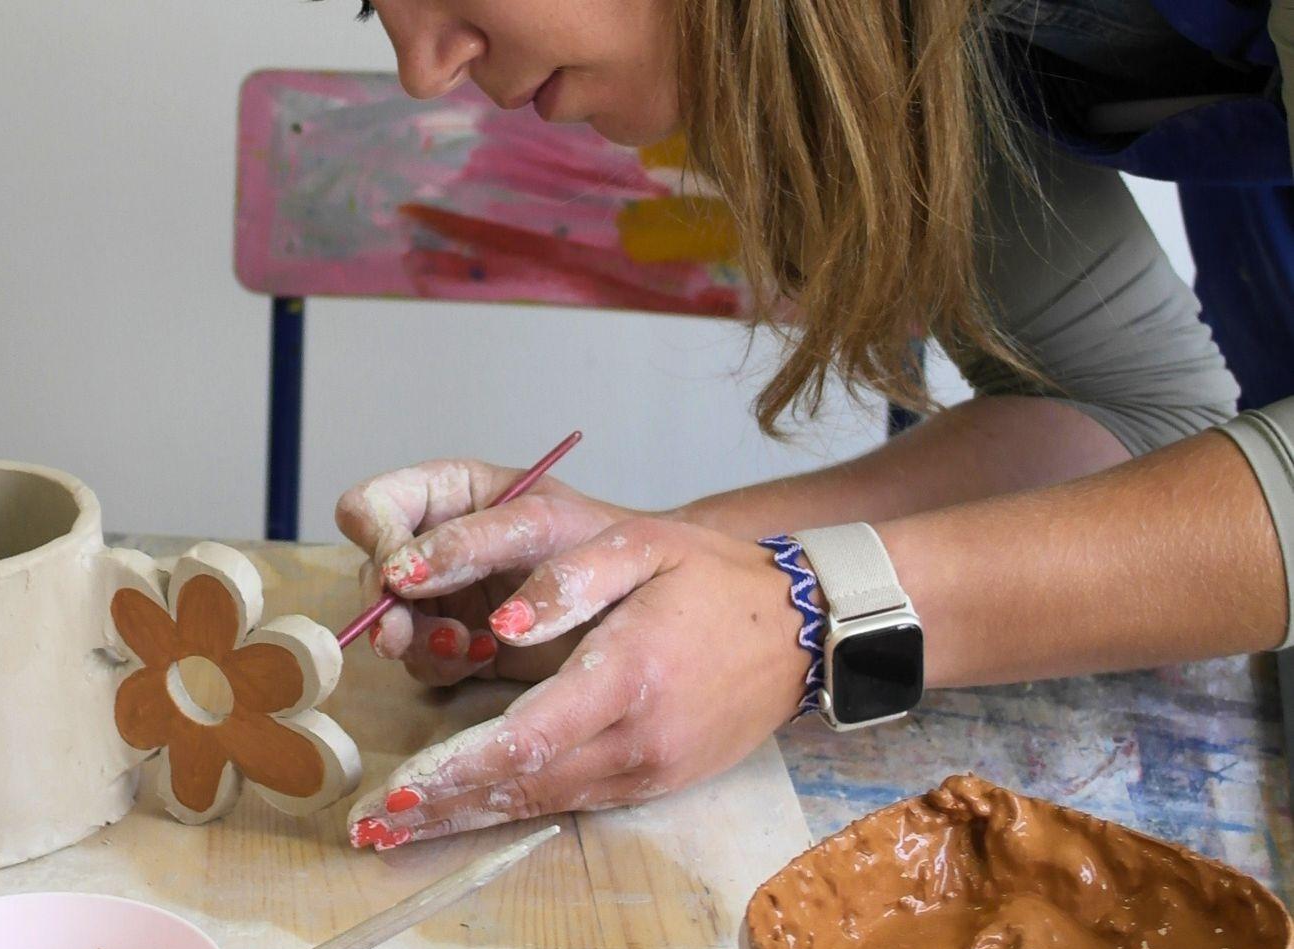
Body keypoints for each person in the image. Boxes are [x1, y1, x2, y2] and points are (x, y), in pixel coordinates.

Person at [333, 0, 1294, 850]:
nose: (425, 67)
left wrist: (810, 614)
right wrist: (659, 568)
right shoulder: (931, 34)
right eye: (369, 4)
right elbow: (1133, 419)